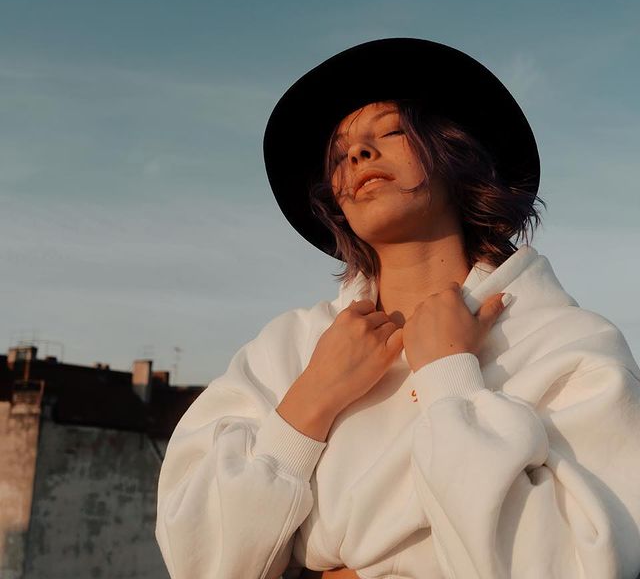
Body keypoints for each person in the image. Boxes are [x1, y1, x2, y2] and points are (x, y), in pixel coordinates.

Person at [154, 38, 640, 579]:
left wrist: (449, 377)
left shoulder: (565, 345)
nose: (357, 155)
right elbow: (198, 557)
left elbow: (583, 561)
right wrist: (309, 402)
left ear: (458, 153)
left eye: (389, 132)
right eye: (339, 155)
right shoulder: (287, 349)